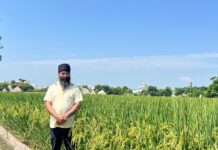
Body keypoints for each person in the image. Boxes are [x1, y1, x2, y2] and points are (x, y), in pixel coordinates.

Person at [44, 63, 83, 150]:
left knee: (71, 148)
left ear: (70, 74)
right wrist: (57, 116)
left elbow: (77, 104)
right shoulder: (52, 87)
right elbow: (47, 103)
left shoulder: (75, 88)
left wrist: (65, 116)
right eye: (63, 73)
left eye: (67, 73)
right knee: (55, 147)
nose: (65, 75)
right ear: (58, 74)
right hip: (55, 124)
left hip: (70, 125)